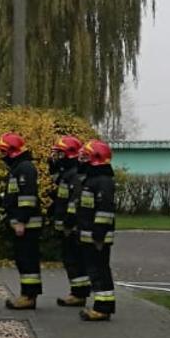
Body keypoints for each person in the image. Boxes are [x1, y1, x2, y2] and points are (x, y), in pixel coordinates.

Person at [0, 132, 43, 309]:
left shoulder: (25, 169)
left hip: (28, 225)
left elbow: (27, 198)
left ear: (13, 151)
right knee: (23, 260)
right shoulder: (18, 168)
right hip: (23, 224)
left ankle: (29, 296)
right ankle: (27, 295)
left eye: (3, 151)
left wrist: (21, 221)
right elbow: (12, 196)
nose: (1, 155)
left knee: (27, 261)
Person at [76, 139, 119, 322]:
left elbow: (104, 211)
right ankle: (100, 305)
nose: (81, 160)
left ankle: (103, 308)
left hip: (97, 237)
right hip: (90, 236)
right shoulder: (92, 180)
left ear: (96, 158)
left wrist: (99, 235)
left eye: (85, 157)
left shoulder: (103, 182)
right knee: (95, 271)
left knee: (100, 271)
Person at [48, 135, 91, 307]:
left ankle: (79, 294)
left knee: (75, 260)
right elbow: (59, 183)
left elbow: (74, 201)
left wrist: (68, 223)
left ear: (69, 154)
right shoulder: (68, 172)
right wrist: (52, 166)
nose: (57, 157)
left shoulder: (74, 174)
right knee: (70, 260)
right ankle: (77, 292)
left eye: (59, 154)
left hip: (72, 228)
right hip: (68, 227)